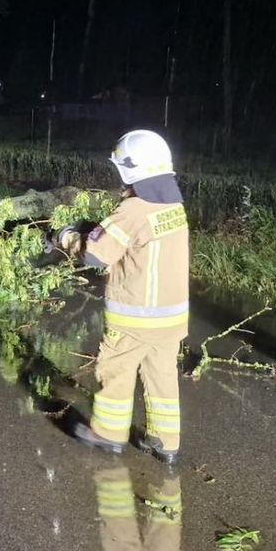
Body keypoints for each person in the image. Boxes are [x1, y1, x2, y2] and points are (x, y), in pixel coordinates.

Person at [53, 130, 189, 465]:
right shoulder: (174, 207)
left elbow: (96, 255)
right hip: (171, 319)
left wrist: (66, 237)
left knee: (116, 369)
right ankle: (165, 442)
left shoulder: (133, 209)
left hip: (136, 317)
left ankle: (108, 434)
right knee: (161, 376)